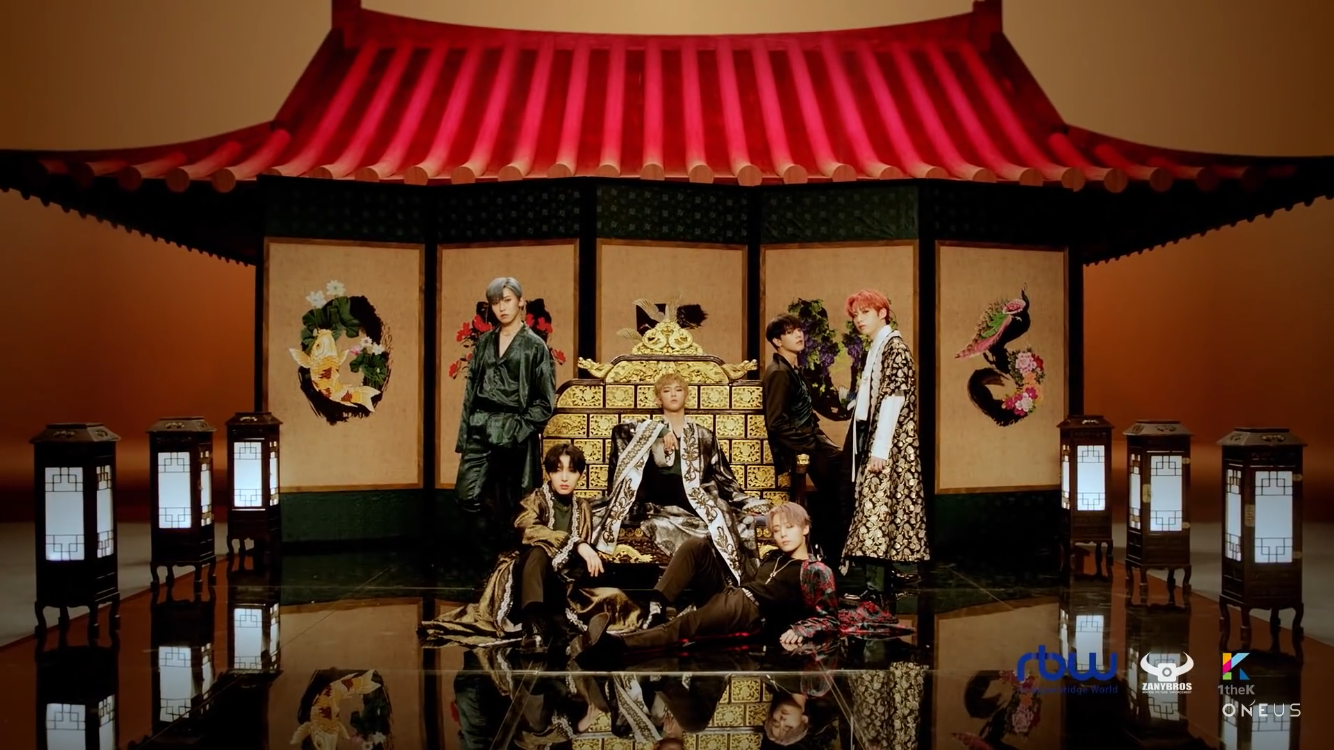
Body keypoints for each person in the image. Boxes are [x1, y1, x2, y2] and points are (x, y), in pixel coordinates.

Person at [420, 444, 639, 653]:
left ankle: (553, 620)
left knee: (616, 598)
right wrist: (576, 543)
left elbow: (580, 560)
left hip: (562, 583)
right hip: (524, 579)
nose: (564, 478)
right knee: (539, 551)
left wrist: (581, 552)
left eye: (571, 471)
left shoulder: (583, 508)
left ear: (580, 475)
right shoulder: (534, 500)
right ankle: (532, 626)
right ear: (549, 473)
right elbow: (527, 528)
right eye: (557, 470)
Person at [596, 371, 770, 626]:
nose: (673, 394)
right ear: (658, 399)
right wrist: (659, 430)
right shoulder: (644, 431)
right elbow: (619, 433)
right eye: (667, 391)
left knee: (730, 519)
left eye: (678, 389)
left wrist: (744, 501)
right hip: (657, 499)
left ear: (686, 395)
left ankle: (731, 595)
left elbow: (722, 476)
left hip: (693, 498)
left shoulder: (702, 435)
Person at [575, 503, 839, 667]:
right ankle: (656, 606)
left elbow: (830, 618)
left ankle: (615, 645)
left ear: (805, 528)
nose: (782, 534)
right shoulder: (774, 557)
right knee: (696, 546)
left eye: (789, 527)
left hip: (749, 611)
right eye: (777, 530)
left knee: (686, 624)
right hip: (734, 595)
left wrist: (800, 628)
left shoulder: (815, 570)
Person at [455, 276, 557, 547]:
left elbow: (545, 401)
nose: (501, 307)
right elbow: (470, 392)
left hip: (514, 429)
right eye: (495, 302)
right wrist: (466, 434)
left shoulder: (534, 345)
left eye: (507, 300)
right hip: (481, 426)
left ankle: (506, 559)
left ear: (520, 302)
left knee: (513, 501)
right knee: (467, 495)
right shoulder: (484, 342)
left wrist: (520, 428)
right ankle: (487, 554)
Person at [841, 289, 928, 600]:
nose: (859, 319)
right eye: (855, 315)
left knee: (877, 510)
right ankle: (879, 585)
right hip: (883, 439)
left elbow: (893, 399)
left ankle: (878, 587)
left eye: (865, 312)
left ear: (882, 313)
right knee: (879, 510)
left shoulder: (895, 347)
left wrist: (880, 450)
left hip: (891, 443)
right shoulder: (880, 346)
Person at [761, 313, 848, 568]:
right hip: (802, 447)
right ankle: (829, 553)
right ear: (777, 341)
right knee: (837, 494)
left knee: (840, 491)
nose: (799, 334)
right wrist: (810, 445)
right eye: (790, 332)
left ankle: (831, 552)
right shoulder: (778, 373)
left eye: (799, 329)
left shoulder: (791, 369)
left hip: (811, 442)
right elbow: (775, 422)